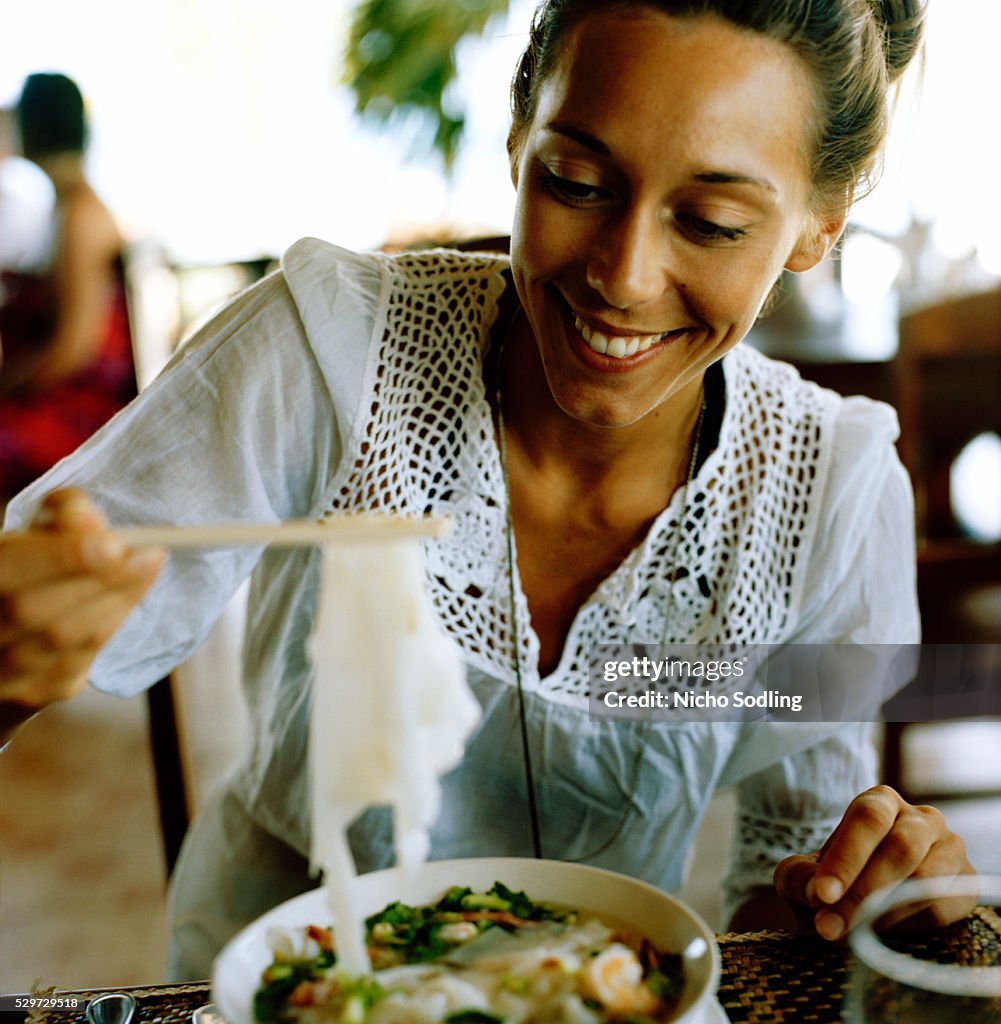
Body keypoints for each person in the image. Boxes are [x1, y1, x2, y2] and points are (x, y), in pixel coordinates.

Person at [0, 0, 977, 982]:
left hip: (595, 999)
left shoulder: (826, 492)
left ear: (815, 229)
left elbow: (782, 904)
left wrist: (852, 892)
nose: (623, 277)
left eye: (711, 222)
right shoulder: (327, 354)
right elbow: (41, 597)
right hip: (281, 989)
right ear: (517, 142)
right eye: (575, 180)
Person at [0, 72, 136, 504]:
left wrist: (6, 385)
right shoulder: (65, 208)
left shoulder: (80, 213)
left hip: (82, 417)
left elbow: (73, 350)